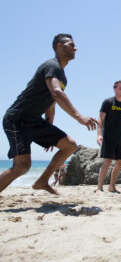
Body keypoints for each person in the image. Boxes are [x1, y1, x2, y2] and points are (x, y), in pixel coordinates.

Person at [0, 33, 97, 195]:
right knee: (22, 166)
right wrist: (79, 117)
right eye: (71, 44)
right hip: (18, 119)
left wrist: (49, 130)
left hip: (35, 121)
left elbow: (51, 104)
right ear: (59, 46)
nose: (75, 48)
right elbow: (56, 94)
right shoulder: (52, 65)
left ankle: (42, 181)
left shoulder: (62, 75)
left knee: (70, 145)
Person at [96, 80, 121, 193]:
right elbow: (100, 119)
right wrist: (99, 135)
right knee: (107, 162)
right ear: (115, 89)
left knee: (120, 163)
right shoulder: (108, 102)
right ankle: (99, 188)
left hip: (119, 137)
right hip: (108, 136)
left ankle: (112, 187)